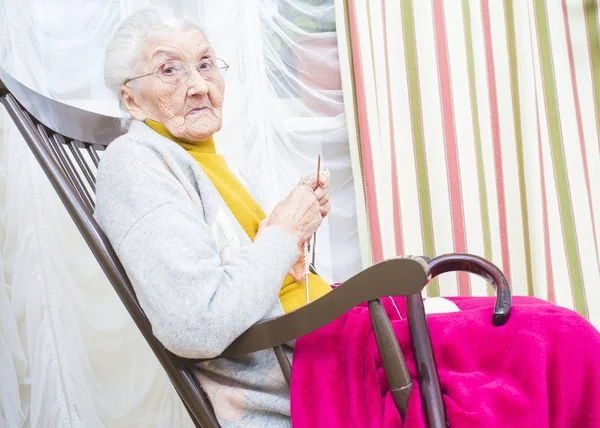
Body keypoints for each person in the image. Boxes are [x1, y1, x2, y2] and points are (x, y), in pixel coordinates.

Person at [95, 8, 600, 428]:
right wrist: (282, 234)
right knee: (555, 341)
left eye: (206, 64)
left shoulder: (195, 153)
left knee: (541, 324)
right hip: (309, 365)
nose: (200, 86)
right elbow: (195, 323)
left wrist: (285, 246)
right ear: (130, 98)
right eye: (170, 70)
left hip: (332, 329)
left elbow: (233, 274)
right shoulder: (136, 163)